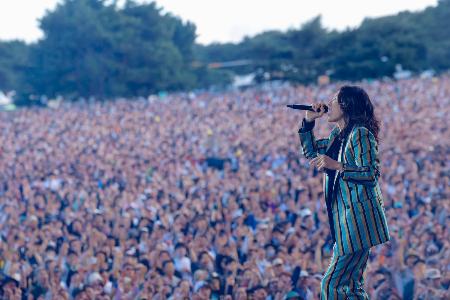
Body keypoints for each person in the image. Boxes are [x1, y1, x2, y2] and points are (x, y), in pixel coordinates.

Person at [297, 85, 391, 299]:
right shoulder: (338, 135)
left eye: (334, 100)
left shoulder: (360, 134)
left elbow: (370, 174)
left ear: (347, 105)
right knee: (352, 286)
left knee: (331, 285)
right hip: (345, 224)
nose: (328, 104)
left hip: (357, 223)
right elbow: (311, 152)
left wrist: (337, 166)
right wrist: (309, 121)